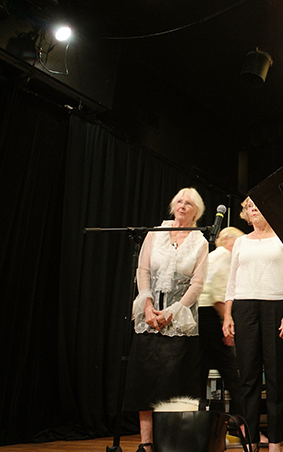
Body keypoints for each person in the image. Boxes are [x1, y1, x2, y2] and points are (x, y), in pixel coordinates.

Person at [124, 187, 210, 452]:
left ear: (197, 211)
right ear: (173, 206)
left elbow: (197, 284)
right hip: (149, 316)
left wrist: (172, 312)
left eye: (189, 203)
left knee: (174, 384)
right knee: (145, 382)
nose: (183, 206)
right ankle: (146, 443)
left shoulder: (200, 242)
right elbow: (143, 270)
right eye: (179, 201)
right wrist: (147, 307)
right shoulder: (156, 233)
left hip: (180, 320)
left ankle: (171, 443)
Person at [222, 198, 283, 452]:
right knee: (249, 379)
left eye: (257, 205)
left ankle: (275, 442)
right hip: (244, 308)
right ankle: (251, 441)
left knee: (276, 378)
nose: (253, 210)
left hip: (276, 306)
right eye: (249, 207)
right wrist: (228, 315)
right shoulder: (241, 242)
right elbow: (232, 281)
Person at [196, 226, 245, 414]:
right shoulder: (224, 256)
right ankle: (243, 424)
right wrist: (227, 323)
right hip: (211, 316)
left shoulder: (212, 256)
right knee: (231, 371)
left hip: (201, 315)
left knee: (201, 370)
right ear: (228, 240)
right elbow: (218, 294)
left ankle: (198, 421)